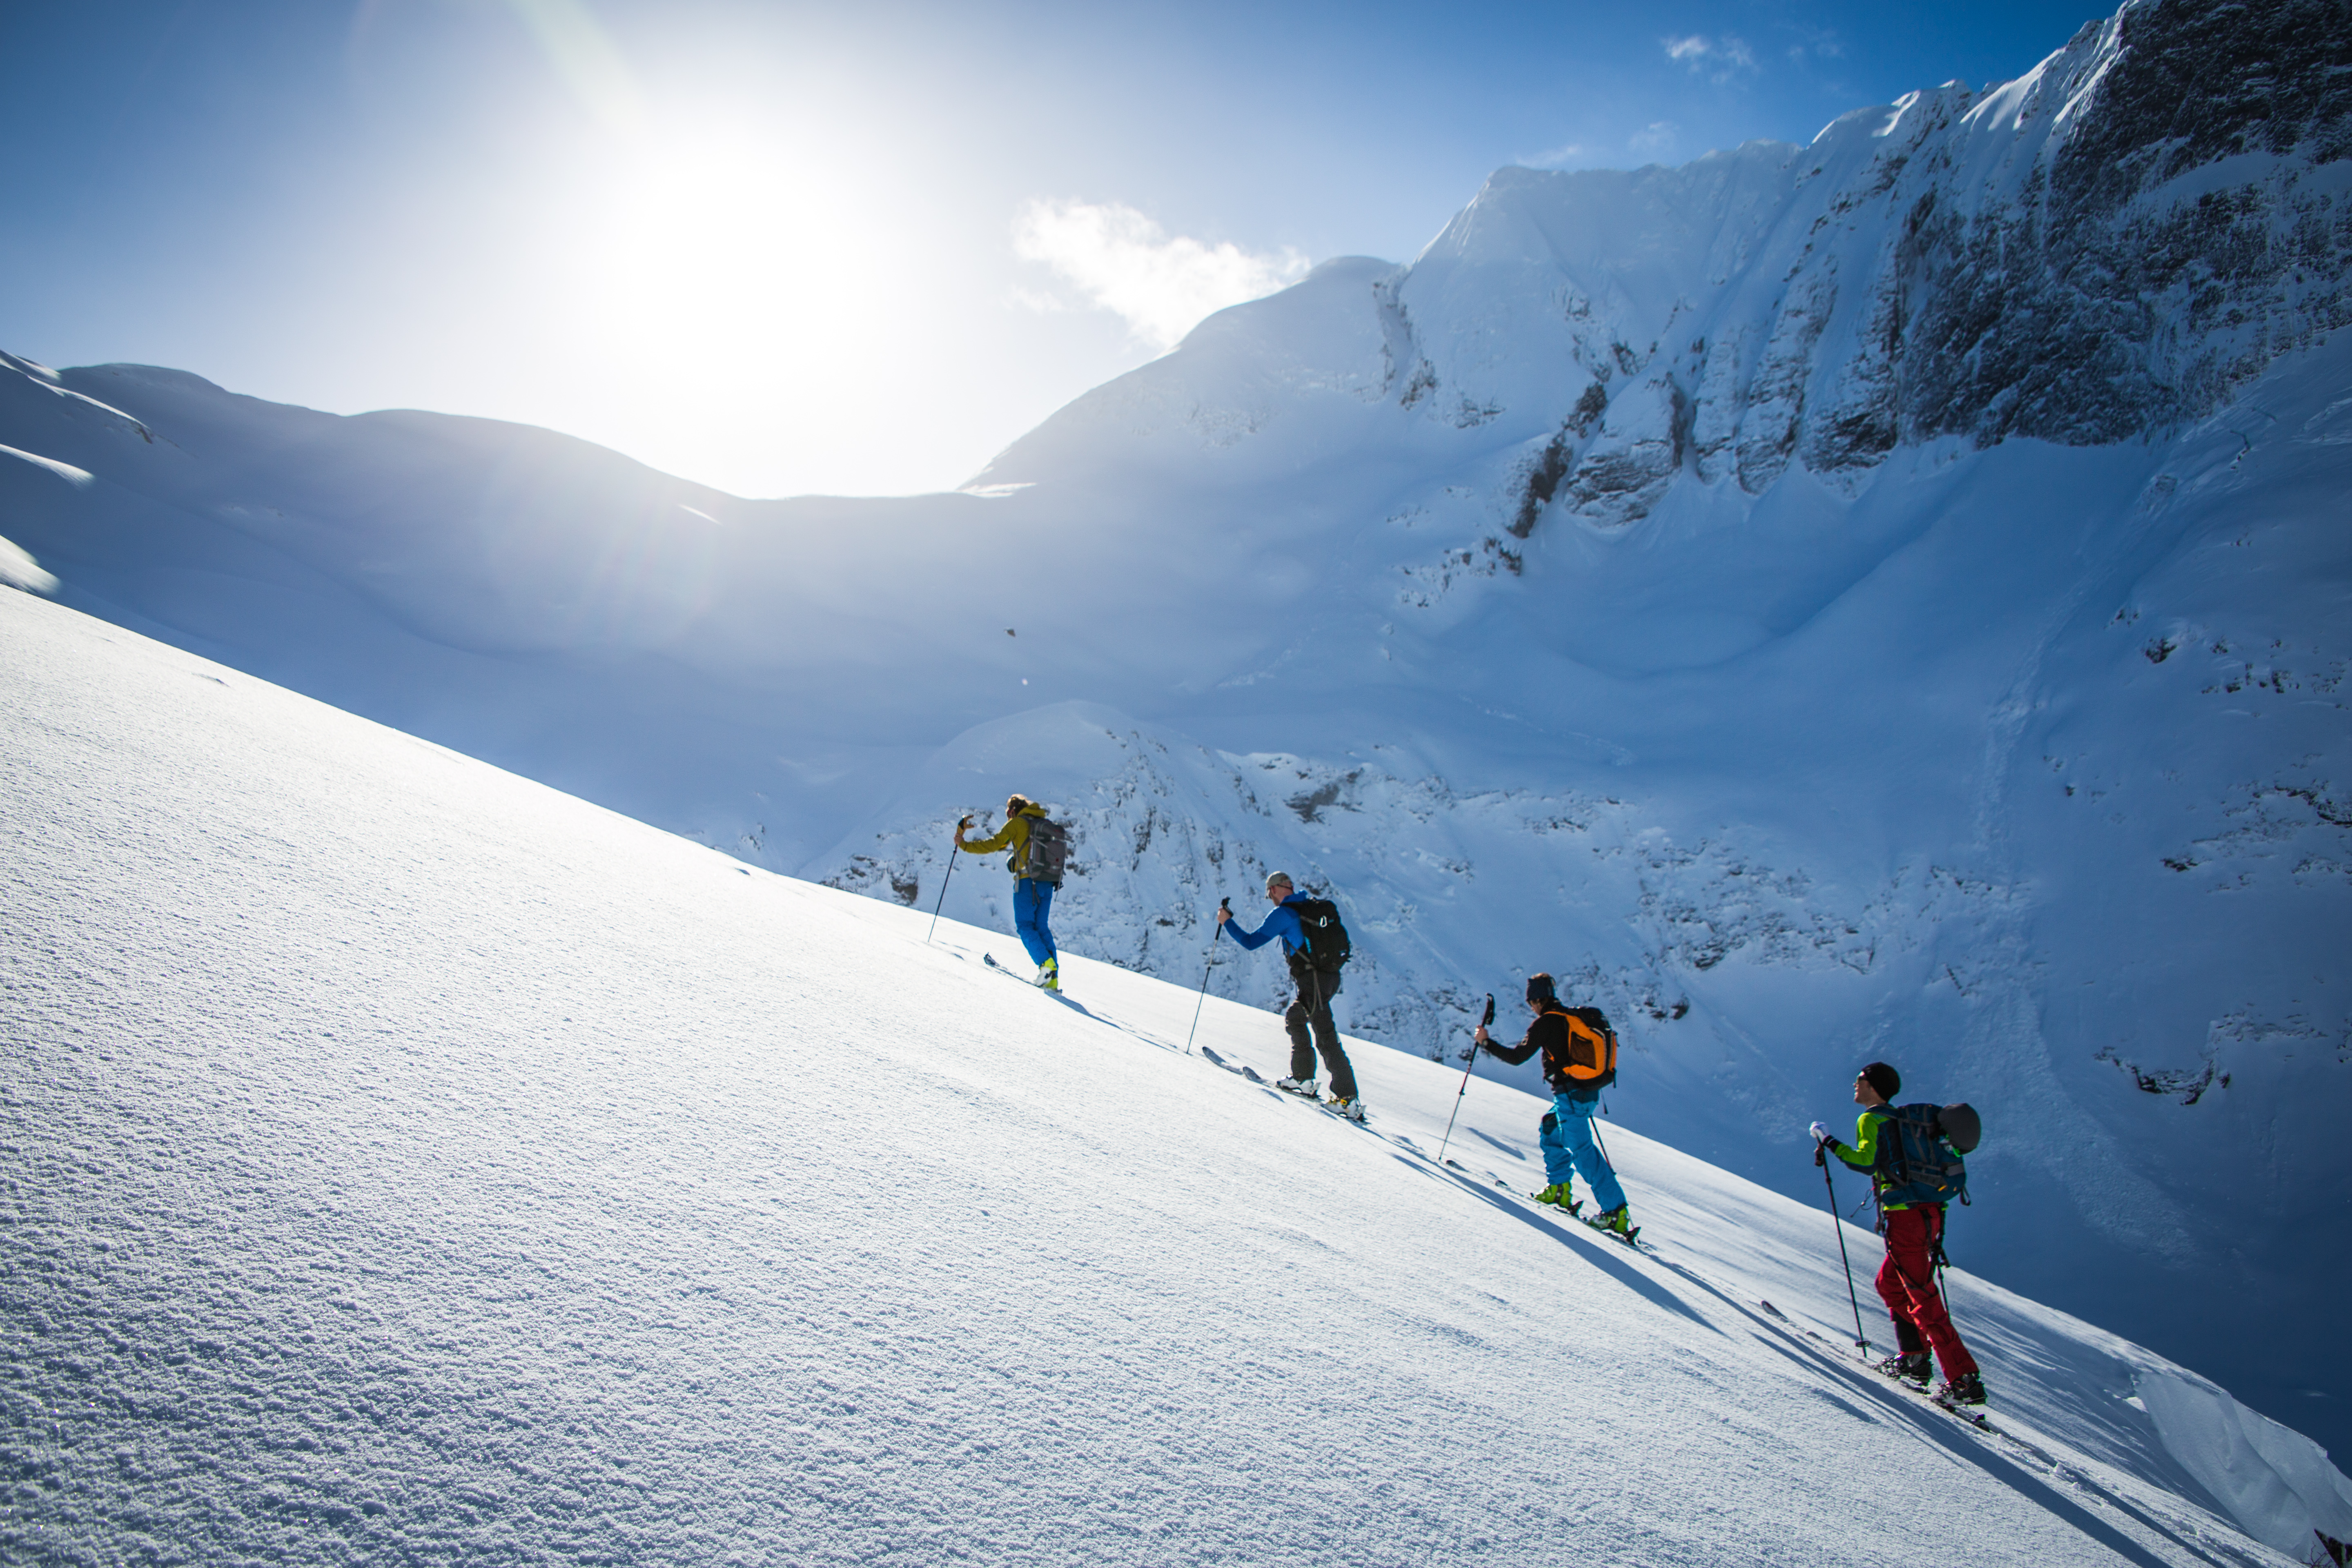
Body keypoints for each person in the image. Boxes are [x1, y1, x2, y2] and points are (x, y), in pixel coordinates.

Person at [1811, 1062, 1987, 1406]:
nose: (1854, 1085)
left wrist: (1828, 1141)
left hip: (1906, 1218)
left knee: (1922, 1298)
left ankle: (1964, 1380)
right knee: (1890, 1284)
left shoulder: (1873, 1119)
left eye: (1859, 1080)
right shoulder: (1905, 1120)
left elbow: (1865, 1161)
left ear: (1873, 1085)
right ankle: (1915, 1359)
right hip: (1929, 1214)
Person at [1474, 973, 1633, 1237]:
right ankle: (1559, 1189)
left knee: (1582, 1151)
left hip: (1571, 1096)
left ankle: (1615, 1211)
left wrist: (1486, 1042)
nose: (1532, 1008)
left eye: (1531, 1003)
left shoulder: (1546, 1023)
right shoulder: (1569, 1017)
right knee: (1550, 1128)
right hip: (1584, 1093)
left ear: (1536, 1000)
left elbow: (1517, 1058)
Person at [1217, 872, 1363, 1120]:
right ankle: (1303, 1079)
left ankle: (1346, 1099)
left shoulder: (1283, 914)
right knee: (1296, 1018)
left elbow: (1251, 942)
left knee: (1326, 1036)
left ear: (1274, 890)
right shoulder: (1309, 907)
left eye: (1269, 894)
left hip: (1312, 981)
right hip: (1328, 978)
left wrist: (1226, 922)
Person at [953, 794, 1061, 989]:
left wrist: (964, 845)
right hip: (1047, 882)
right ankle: (1052, 978)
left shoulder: (1018, 824)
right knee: (1041, 927)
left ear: (1012, 811)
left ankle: (1046, 967)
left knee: (1025, 926)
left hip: (1028, 883)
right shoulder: (1044, 823)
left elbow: (995, 844)